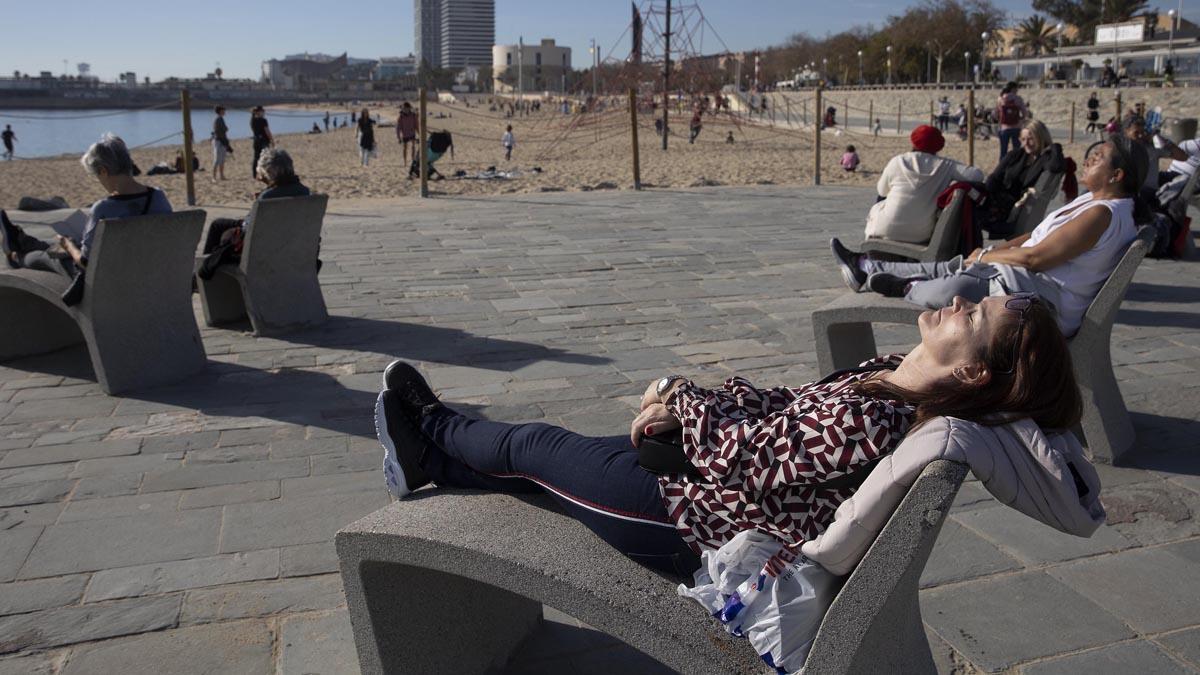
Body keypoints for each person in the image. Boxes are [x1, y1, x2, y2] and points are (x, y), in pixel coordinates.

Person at [372, 291, 1082, 579]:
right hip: (701, 477)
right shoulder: (893, 373)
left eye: (973, 313)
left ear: (975, 367)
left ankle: (429, 423)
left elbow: (750, 458)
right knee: (546, 469)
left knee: (535, 449)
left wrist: (678, 395)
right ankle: (428, 456)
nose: (957, 301)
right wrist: (693, 399)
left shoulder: (881, 416)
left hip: (688, 519)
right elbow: (780, 406)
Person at [833, 134, 1148, 337]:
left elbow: (1037, 258)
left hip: (1040, 305)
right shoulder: (1093, 202)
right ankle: (867, 267)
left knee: (955, 286)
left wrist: (985, 255)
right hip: (1023, 282)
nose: (1089, 158)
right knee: (954, 266)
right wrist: (995, 249)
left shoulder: (1103, 214)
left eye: (1098, 157)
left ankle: (909, 287)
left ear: (1116, 175)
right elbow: (1034, 236)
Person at [0, 134, 172, 304]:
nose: (99, 181)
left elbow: (85, 263)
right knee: (55, 244)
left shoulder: (104, 208)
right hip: (146, 273)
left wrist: (68, 246)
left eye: (97, 175)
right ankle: (21, 240)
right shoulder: (158, 197)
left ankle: (16, 257)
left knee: (45, 255)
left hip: (107, 282)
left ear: (104, 171)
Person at [197, 147, 312, 280]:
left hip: (263, 251)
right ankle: (199, 278)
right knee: (219, 224)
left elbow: (249, 229)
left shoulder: (267, 198)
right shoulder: (305, 192)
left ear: (268, 172)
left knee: (219, 228)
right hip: (292, 247)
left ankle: (201, 278)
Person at [863, 125, 984, 244]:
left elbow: (881, 191)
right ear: (939, 146)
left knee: (881, 200)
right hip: (920, 234)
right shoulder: (947, 166)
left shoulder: (898, 161)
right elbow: (977, 175)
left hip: (886, 230)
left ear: (913, 142)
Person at [977, 119, 1066, 238]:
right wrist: (985, 194)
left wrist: (1055, 147)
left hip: (1013, 207)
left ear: (1041, 137)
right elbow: (994, 178)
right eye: (1023, 139)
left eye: (1031, 139)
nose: (1026, 143)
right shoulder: (1016, 154)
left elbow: (1056, 167)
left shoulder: (1045, 159)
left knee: (971, 210)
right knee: (966, 191)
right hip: (996, 199)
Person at [996, 82, 1029, 160]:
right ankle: (1016, 164)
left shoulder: (1000, 98)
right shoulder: (1018, 99)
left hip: (1004, 127)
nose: (1017, 90)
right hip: (1016, 126)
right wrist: (1021, 119)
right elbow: (1025, 113)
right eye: (1016, 88)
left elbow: (996, 113)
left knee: (1003, 150)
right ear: (1013, 88)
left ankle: (1002, 165)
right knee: (1016, 149)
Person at [250, 106, 273, 179]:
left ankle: (255, 174)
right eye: (262, 111)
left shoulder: (252, 120)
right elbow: (267, 131)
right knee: (265, 157)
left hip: (256, 141)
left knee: (256, 158)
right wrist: (272, 140)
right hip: (263, 141)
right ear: (258, 112)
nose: (264, 112)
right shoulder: (263, 120)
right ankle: (264, 174)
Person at [211, 106, 232, 181]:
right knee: (217, 159)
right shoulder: (217, 119)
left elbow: (225, 129)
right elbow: (218, 131)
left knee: (222, 159)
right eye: (223, 110)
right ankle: (213, 177)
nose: (224, 112)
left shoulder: (221, 119)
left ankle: (222, 175)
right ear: (220, 111)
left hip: (222, 141)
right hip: (218, 141)